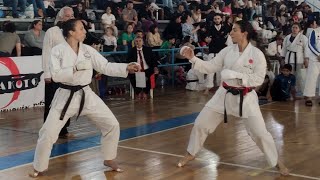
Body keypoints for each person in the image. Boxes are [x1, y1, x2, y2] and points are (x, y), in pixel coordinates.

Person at [29, 19, 141, 178]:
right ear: (71, 32)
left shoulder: (88, 50)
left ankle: (109, 158)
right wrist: (74, 68)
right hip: (65, 95)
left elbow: (105, 66)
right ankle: (39, 166)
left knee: (112, 125)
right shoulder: (57, 51)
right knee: (47, 133)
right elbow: (55, 75)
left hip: (86, 94)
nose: (85, 31)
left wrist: (126, 67)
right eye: (81, 29)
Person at [177, 20, 289, 176]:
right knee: (200, 123)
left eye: (234, 30)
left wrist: (235, 75)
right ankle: (191, 153)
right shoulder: (227, 51)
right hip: (223, 94)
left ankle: (276, 161)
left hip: (246, 97)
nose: (230, 33)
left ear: (244, 33)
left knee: (260, 134)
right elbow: (210, 67)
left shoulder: (257, 54)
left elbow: (257, 79)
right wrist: (193, 59)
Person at [42, 7, 74, 138]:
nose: (70, 18)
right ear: (60, 17)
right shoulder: (52, 32)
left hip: (68, 73)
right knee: (52, 102)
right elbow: (46, 53)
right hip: (54, 73)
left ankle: (64, 127)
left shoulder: (73, 33)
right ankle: (49, 128)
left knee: (66, 102)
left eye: (71, 16)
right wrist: (47, 74)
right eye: (67, 16)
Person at [304, 27, 320, 106]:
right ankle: (309, 97)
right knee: (311, 79)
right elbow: (311, 44)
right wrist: (318, 54)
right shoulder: (314, 31)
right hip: (315, 59)